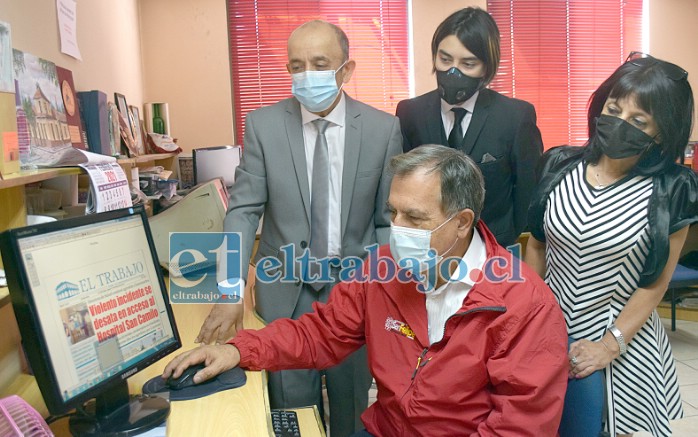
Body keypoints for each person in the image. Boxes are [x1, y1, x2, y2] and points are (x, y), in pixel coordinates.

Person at [165, 145, 569, 436]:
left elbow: (520, 427)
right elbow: (319, 334)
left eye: (415, 217)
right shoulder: (382, 270)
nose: (398, 229)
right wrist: (238, 350)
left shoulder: (523, 304)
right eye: (393, 212)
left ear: (462, 222)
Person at [194, 20, 402, 437]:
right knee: (291, 414)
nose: (306, 75)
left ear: (346, 69)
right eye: (296, 65)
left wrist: (384, 288)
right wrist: (231, 287)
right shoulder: (264, 126)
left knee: (352, 408)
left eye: (319, 63)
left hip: (354, 294)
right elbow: (242, 212)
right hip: (284, 294)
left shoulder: (383, 130)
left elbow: (387, 222)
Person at [526, 52, 698, 437]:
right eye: (614, 109)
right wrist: (532, 317)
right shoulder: (559, 164)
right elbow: (537, 245)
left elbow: (655, 284)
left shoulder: (673, 189)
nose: (619, 124)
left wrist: (608, 345)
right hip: (549, 327)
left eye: (638, 121)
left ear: (661, 132)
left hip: (622, 338)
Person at [395, 7, 543, 248]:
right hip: (428, 248)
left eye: (468, 63)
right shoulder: (410, 112)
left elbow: (527, 192)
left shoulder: (515, 116)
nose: (453, 71)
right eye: (445, 59)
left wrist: (506, 240)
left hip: (493, 247)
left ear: (486, 68)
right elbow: (405, 185)